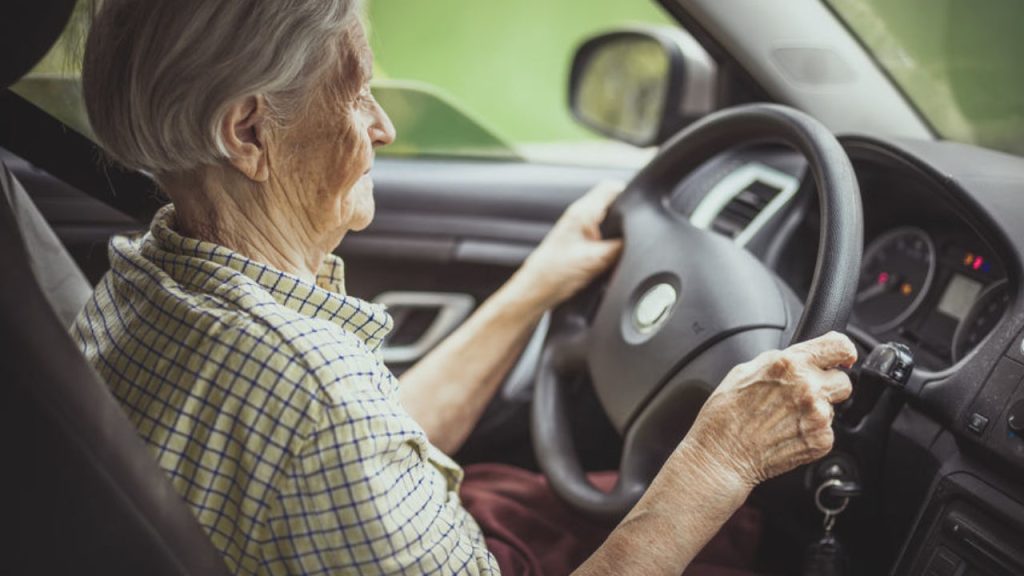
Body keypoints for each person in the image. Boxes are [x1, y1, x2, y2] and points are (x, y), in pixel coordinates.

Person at [72, 0, 856, 574]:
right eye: (354, 95)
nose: (381, 127)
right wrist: (721, 458)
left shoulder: (143, 276)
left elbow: (348, 447)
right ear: (248, 134)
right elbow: (332, 428)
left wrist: (534, 289)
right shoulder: (315, 393)